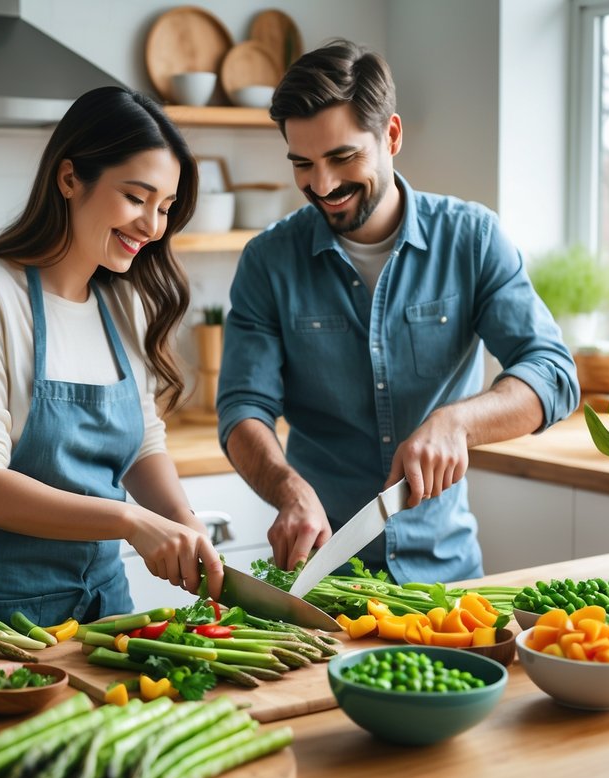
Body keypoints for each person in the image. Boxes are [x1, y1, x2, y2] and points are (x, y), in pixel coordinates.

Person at [216, 40, 579, 585]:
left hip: (448, 576)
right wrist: (289, 490)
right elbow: (243, 408)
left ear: (391, 135)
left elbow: (552, 372)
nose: (323, 185)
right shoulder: (269, 261)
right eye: (303, 164)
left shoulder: (472, 239)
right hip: (325, 578)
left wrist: (457, 422)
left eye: (343, 157)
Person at [0, 86, 224, 625]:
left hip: (107, 611)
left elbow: (141, 443)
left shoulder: (126, 301)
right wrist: (131, 522)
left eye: (165, 207)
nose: (153, 226)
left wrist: (184, 524)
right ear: (69, 179)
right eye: (137, 198)